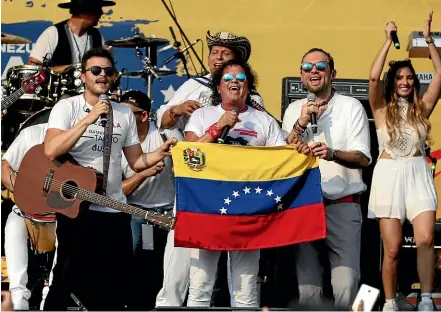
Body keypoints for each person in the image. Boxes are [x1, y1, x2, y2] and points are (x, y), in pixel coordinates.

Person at [41, 47, 176, 311]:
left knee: (114, 285)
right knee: (67, 277)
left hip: (113, 208)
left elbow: (136, 161)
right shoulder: (67, 107)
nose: (102, 75)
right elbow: (50, 150)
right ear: (83, 76)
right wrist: (89, 118)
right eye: (95, 70)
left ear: (114, 77)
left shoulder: (124, 113)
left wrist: (157, 154)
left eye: (108, 71)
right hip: (77, 207)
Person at [155, 30, 264, 307]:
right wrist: (178, 109)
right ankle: (169, 303)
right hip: (194, 181)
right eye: (214, 52)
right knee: (181, 247)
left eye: (225, 54)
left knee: (238, 260)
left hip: (233, 186)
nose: (218, 57)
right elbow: (164, 120)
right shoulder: (192, 85)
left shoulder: (254, 98)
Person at [184, 59, 286, 307]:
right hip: (206, 207)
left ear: (248, 86)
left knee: (246, 289)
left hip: (247, 207)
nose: (234, 83)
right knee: (200, 285)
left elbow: (282, 162)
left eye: (240, 79)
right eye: (228, 79)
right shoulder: (202, 115)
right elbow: (188, 155)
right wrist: (217, 128)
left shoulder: (265, 121)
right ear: (218, 87)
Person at [281, 48, 371, 310]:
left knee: (346, 283)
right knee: (307, 288)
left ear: (332, 73)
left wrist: (333, 154)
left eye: (321, 66)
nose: (314, 71)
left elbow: (363, 158)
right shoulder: (294, 109)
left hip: (342, 203)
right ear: (301, 76)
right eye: (307, 67)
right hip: (305, 205)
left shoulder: (351, 107)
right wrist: (301, 123)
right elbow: (283, 151)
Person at [368, 12, 441, 311]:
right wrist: (387, 41)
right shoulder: (381, 109)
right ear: (393, 81)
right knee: (393, 249)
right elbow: (373, 77)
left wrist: (428, 41)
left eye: (410, 77)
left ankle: (425, 299)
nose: (406, 81)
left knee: (425, 239)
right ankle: (389, 302)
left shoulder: (422, 108)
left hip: (417, 172)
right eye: (400, 77)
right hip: (388, 175)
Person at [119, 90, 180, 310]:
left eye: (128, 114)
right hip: (138, 214)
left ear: (144, 116)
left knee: (171, 270)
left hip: (170, 214)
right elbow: (118, 193)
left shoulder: (165, 137)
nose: (121, 119)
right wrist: (143, 173)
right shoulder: (118, 143)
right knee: (141, 265)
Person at [1, 122, 51, 311]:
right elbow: (5, 167)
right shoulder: (32, 133)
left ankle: (51, 294)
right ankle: (18, 296)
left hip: (65, 214)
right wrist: (22, 191)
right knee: (14, 222)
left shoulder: (84, 136)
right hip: (29, 210)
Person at [27, 0, 112, 73]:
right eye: (98, 9)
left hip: (89, 91)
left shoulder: (96, 35)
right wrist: (71, 68)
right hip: (58, 90)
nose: (101, 13)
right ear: (85, 12)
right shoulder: (53, 32)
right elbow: (32, 67)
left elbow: (110, 68)